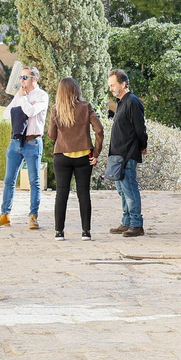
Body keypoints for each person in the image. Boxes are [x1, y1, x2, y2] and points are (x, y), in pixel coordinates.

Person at [0, 65, 48, 230]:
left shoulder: (42, 96)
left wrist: (22, 100)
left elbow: (31, 112)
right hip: (15, 142)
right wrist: (20, 99)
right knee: (9, 180)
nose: (21, 80)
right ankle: (5, 215)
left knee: (34, 181)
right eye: (21, 77)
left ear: (34, 79)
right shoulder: (20, 94)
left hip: (32, 142)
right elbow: (6, 114)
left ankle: (33, 216)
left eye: (25, 77)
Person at [45, 76, 104, 241]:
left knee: (61, 194)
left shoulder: (56, 109)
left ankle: (59, 232)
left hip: (62, 156)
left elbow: (51, 135)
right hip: (84, 156)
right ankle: (86, 232)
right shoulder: (86, 107)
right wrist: (96, 152)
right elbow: (99, 129)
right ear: (76, 90)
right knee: (83, 193)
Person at [106, 68, 147, 237]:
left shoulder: (132, 102)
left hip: (127, 155)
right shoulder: (122, 102)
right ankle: (127, 222)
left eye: (113, 85)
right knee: (122, 191)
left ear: (123, 84)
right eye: (110, 86)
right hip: (117, 156)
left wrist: (142, 145)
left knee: (130, 190)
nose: (111, 89)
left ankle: (136, 224)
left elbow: (140, 129)